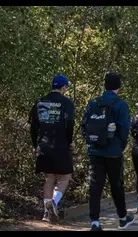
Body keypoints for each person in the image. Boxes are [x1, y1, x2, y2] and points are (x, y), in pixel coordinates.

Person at [81, 72, 134, 231]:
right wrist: (120, 146)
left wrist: (91, 142)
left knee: (95, 185)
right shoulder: (121, 105)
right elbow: (125, 130)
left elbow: (84, 126)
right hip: (113, 151)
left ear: (105, 85)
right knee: (116, 184)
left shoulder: (93, 103)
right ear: (118, 86)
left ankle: (95, 222)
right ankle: (122, 218)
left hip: (95, 150)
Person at [28, 74, 75, 223]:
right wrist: (69, 142)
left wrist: (36, 145)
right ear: (63, 88)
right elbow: (70, 124)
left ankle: (46, 214)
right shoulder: (67, 103)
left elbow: (33, 127)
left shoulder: (40, 101)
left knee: (49, 177)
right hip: (60, 144)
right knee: (65, 175)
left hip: (44, 144)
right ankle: (53, 202)